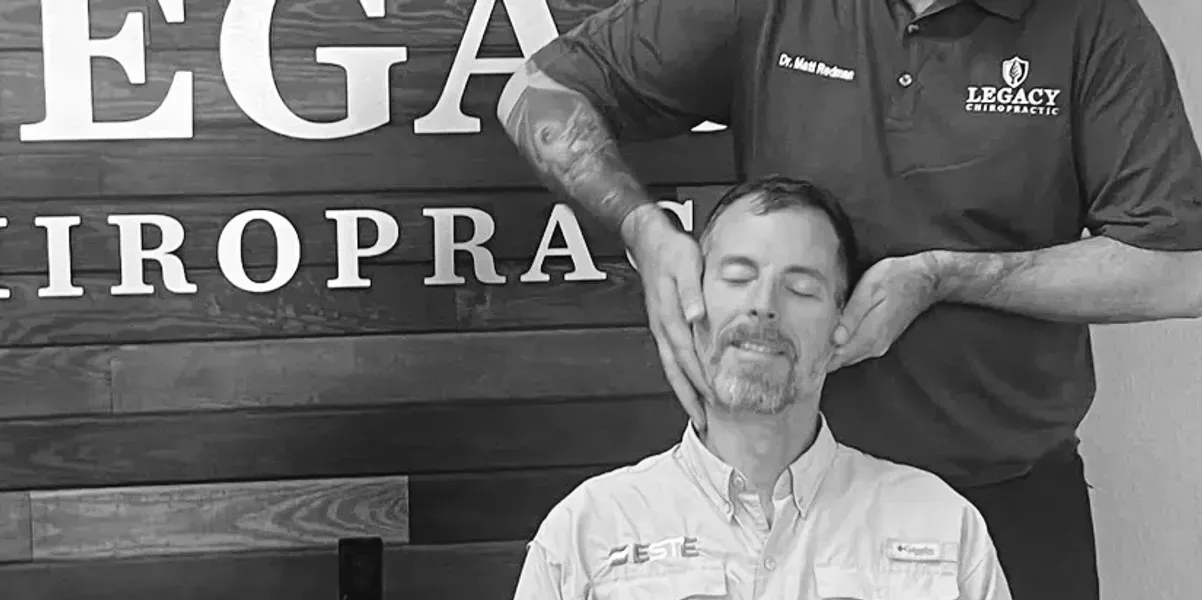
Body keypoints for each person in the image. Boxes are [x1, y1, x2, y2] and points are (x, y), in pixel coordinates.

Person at [495, 0, 1202, 598]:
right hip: (778, 490)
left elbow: (1181, 267)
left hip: (1003, 490)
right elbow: (536, 90)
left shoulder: (1093, 23)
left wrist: (942, 276)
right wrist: (642, 230)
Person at [511, 176, 1012, 600]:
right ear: (692, 304)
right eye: (736, 276)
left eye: (801, 288)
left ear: (844, 321)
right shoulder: (589, 531)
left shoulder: (942, 528)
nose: (764, 305)